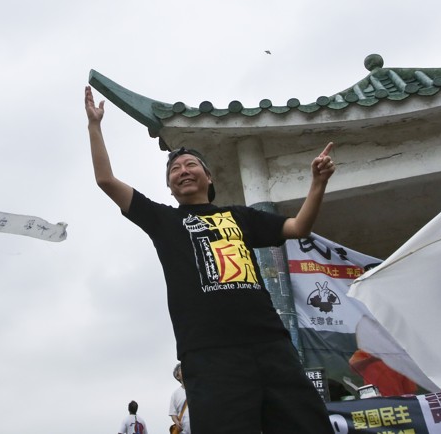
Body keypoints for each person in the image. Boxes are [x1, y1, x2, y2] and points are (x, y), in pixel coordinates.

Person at [85, 86, 335, 434]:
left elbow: (298, 227)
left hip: (271, 344)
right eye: (175, 169)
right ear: (170, 187)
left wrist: (317, 184)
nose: (183, 170)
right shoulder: (163, 221)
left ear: (209, 177)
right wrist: (94, 126)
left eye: (191, 165)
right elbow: (105, 180)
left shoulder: (240, 216)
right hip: (208, 353)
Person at [168, 363, 189, 434]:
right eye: (181, 369)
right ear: (177, 376)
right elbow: (173, 413)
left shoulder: (197, 389)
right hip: (184, 431)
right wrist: (176, 422)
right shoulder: (175, 394)